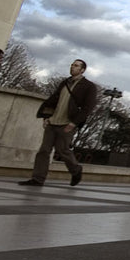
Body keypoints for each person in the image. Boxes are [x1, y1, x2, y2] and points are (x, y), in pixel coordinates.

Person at [19, 59, 97, 187]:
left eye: (76, 66)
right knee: (43, 151)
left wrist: (74, 123)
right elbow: (54, 100)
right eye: (72, 65)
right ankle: (38, 179)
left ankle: (76, 170)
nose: (72, 67)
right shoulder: (64, 83)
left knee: (63, 150)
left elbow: (87, 108)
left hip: (67, 123)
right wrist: (46, 117)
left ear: (82, 70)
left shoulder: (88, 86)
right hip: (53, 121)